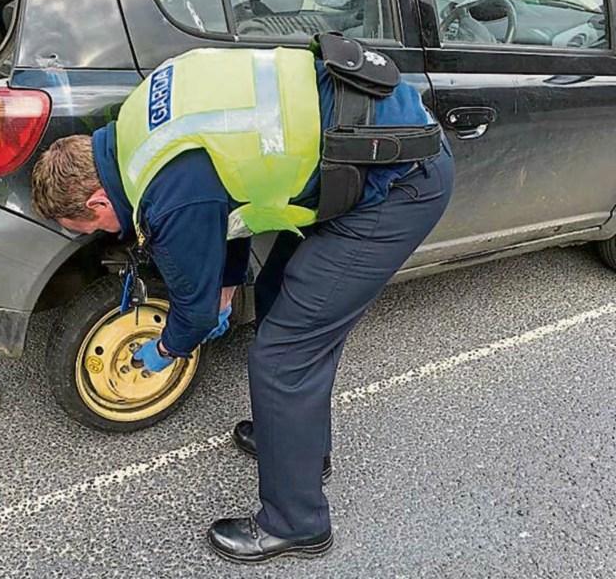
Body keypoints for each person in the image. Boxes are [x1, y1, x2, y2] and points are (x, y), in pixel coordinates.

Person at [31, 37, 455, 564]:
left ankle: (296, 523)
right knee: (281, 302)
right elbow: (225, 199)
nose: (106, 231)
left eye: (93, 225)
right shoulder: (138, 123)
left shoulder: (164, 194)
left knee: (283, 357)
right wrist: (229, 282)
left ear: (97, 199)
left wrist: (165, 349)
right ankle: (298, 447)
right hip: (364, 146)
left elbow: (196, 310)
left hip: (399, 182)